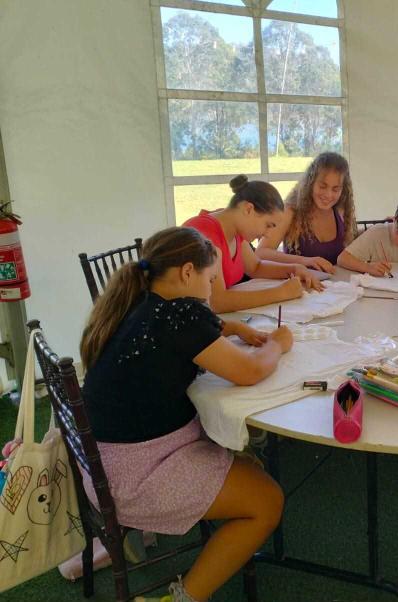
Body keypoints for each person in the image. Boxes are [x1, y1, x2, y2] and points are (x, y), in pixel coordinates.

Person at [79, 227, 292, 602]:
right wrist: (278, 344)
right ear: (188, 272)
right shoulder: (179, 314)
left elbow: (185, 331)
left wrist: (232, 328)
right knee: (267, 502)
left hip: (104, 464)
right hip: (136, 477)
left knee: (247, 463)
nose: (211, 291)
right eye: (211, 280)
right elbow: (250, 371)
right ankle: (183, 598)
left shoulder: (137, 300)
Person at [183, 175, 322, 314]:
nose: (268, 234)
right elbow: (216, 301)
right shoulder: (205, 234)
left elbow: (255, 267)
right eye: (268, 225)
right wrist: (281, 293)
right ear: (248, 209)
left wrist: (294, 269)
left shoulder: (235, 229)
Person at [256, 152, 357, 273]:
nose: (328, 195)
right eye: (322, 186)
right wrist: (305, 261)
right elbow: (261, 253)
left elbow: (351, 244)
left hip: (336, 283)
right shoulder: (291, 211)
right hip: (299, 283)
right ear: (311, 183)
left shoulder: (340, 211)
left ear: (343, 189)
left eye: (335, 189)